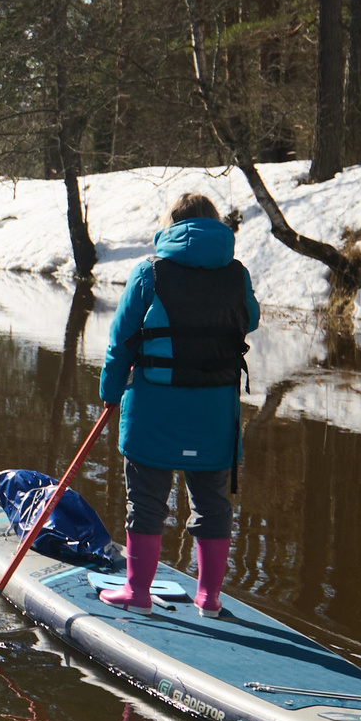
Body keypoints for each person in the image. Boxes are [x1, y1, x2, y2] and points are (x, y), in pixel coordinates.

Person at [95, 191, 259, 615]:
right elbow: (252, 319)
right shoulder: (237, 274)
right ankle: (209, 599)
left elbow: (120, 341)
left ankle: (138, 593)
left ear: (170, 226)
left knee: (146, 503)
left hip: (154, 411)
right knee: (212, 504)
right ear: (215, 225)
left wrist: (110, 393)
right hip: (215, 414)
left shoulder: (148, 273)